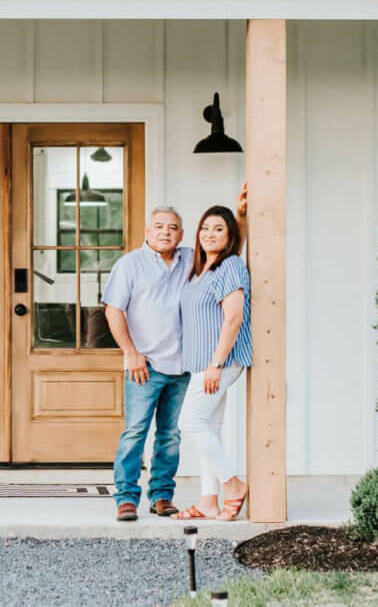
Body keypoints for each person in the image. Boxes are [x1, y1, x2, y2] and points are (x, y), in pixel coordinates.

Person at [102, 185, 246, 522]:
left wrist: (240, 217)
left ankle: (162, 496)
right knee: (136, 432)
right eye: (159, 227)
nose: (165, 232)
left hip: (183, 367)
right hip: (144, 366)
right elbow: (112, 311)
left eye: (172, 227)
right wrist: (131, 353)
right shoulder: (130, 265)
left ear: (182, 234)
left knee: (172, 434)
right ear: (147, 231)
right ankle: (126, 498)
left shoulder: (190, 260)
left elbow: (229, 248)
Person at [172, 204, 252, 522]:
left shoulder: (230, 265)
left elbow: (233, 318)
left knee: (189, 423)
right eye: (205, 227)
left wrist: (216, 364)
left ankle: (233, 485)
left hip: (220, 362)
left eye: (219, 228)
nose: (210, 234)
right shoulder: (202, 268)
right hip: (202, 363)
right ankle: (208, 501)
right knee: (209, 428)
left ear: (230, 235)